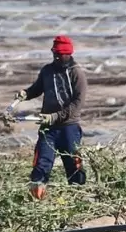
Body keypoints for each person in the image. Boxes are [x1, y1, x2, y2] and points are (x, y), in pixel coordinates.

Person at [15, 35, 88, 201]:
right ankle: (36, 200)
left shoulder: (77, 74)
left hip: (68, 127)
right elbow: (37, 88)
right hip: (48, 129)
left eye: (60, 54)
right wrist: (25, 94)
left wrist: (55, 116)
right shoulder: (47, 71)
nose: (56, 57)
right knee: (41, 164)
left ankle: (79, 200)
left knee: (74, 165)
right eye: (54, 53)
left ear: (68, 54)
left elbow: (77, 103)